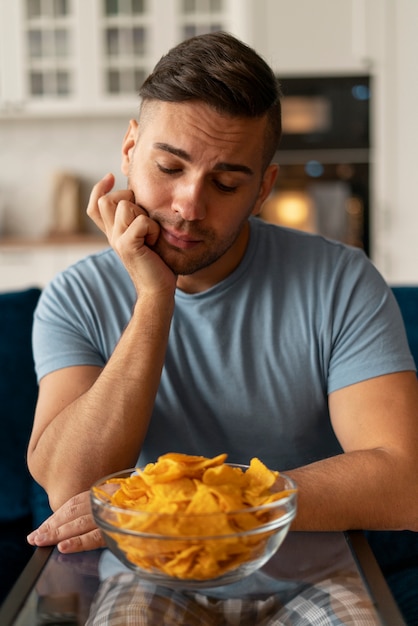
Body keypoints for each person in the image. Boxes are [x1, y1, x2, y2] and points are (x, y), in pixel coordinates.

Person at [27, 31, 418, 556]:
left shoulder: (342, 281)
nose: (189, 205)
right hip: (150, 565)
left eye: (227, 183)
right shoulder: (74, 296)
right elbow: (68, 486)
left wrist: (205, 503)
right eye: (169, 168)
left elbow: (404, 480)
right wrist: (155, 298)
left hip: (305, 564)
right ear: (129, 149)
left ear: (262, 190)